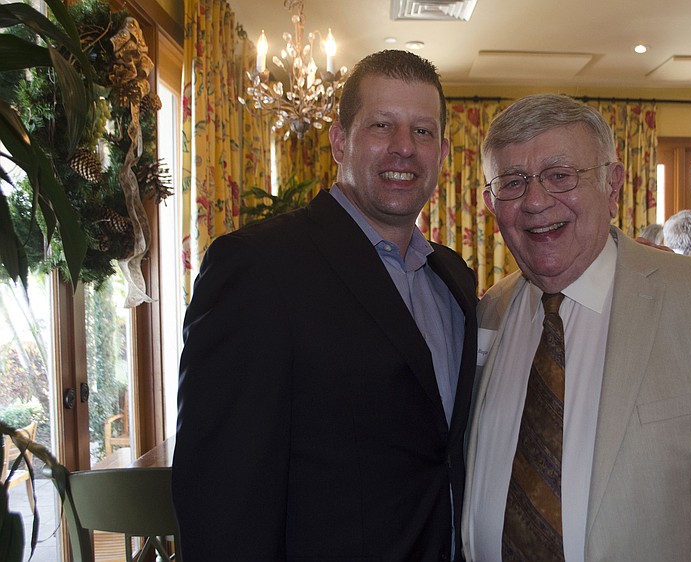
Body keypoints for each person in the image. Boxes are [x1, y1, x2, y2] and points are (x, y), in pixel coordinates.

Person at [461, 94, 691, 561]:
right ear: (490, 202)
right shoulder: (488, 315)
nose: (536, 201)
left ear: (613, 184)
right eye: (513, 182)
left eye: (560, 176)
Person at [172, 50, 478, 561]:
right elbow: (219, 495)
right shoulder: (258, 268)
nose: (404, 147)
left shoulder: (454, 278)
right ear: (340, 142)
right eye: (383, 125)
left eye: (422, 132)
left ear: (443, 152)